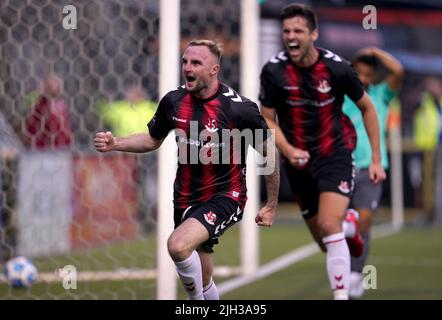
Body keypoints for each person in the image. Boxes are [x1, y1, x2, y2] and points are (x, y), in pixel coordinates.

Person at [95, 39, 280, 300]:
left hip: (226, 195)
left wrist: (271, 204)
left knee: (177, 245)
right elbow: (151, 139)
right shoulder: (173, 101)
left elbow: (268, 153)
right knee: (203, 278)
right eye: (185, 61)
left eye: (195, 62)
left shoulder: (238, 108)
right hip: (185, 196)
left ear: (214, 70)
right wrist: (117, 143)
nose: (187, 67)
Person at [259, 4, 385, 300]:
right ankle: (351, 228)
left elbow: (368, 107)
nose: (291, 36)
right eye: (286, 31)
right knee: (326, 241)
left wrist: (377, 159)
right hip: (298, 162)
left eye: (298, 31)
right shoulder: (274, 71)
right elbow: (266, 118)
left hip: (335, 154)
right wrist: (288, 150)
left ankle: (341, 295)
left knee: (330, 225)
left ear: (313, 34)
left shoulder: (337, 68)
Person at [342, 47, 404, 298]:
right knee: (337, 226)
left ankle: (356, 274)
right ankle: (345, 271)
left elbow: (398, 70)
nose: (363, 79)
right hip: (342, 166)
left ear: (373, 76)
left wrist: (375, 52)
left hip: (372, 169)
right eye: (358, 73)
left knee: (364, 223)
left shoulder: (382, 95)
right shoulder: (342, 96)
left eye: (368, 74)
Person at [98, 85, 158, 231]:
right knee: (130, 188)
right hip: (123, 155)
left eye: (136, 94)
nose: (133, 96)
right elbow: (102, 110)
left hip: (147, 154)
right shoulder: (121, 108)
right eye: (131, 93)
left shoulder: (151, 108)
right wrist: (106, 95)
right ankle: (133, 218)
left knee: (147, 187)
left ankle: (150, 218)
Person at [25, 75, 72, 150]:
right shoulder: (39, 106)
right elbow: (32, 127)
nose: (52, 89)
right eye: (49, 87)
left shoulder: (62, 105)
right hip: (43, 148)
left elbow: (66, 128)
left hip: (62, 147)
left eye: (55, 86)